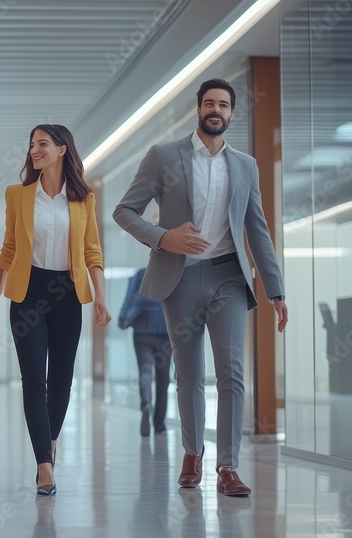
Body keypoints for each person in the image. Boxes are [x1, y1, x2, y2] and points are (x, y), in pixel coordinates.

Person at [113, 78, 288, 497]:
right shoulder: (164, 156)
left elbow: (257, 230)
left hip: (229, 275)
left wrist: (276, 290)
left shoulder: (245, 165)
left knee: (232, 372)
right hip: (181, 276)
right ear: (198, 110)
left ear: (232, 113)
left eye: (223, 104)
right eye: (208, 103)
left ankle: (228, 466)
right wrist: (163, 236)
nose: (216, 110)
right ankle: (193, 454)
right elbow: (124, 211)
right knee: (188, 373)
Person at [0, 124, 111, 496]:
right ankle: (44, 466)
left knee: (61, 381)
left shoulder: (84, 198)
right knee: (33, 381)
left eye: (42, 144)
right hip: (28, 294)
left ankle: (49, 444)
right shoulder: (17, 195)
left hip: (69, 294)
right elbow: (8, 250)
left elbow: (92, 251)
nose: (34, 150)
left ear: (61, 149)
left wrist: (100, 295)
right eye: (32, 144)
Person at [118, 267, 172, 437]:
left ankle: (146, 405)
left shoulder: (140, 274)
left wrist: (123, 317)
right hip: (165, 332)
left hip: (141, 331)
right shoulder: (171, 273)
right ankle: (160, 424)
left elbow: (129, 298)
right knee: (163, 379)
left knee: (145, 372)